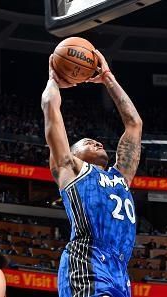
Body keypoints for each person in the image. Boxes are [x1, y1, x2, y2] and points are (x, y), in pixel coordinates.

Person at [42, 50, 142, 297]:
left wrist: (108, 77)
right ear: (73, 153)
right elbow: (50, 108)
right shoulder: (70, 169)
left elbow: (134, 124)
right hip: (87, 260)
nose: (97, 143)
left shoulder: (121, 177)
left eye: (97, 141)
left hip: (119, 270)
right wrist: (53, 80)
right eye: (88, 142)